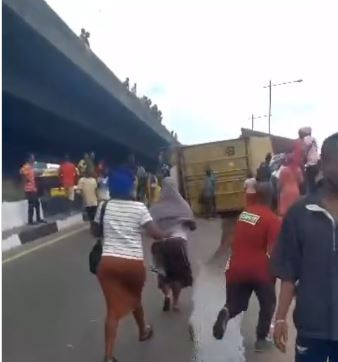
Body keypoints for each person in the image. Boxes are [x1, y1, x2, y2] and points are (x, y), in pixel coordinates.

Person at [272, 133, 338, 361]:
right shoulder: (300, 213)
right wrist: (280, 318)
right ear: (324, 163)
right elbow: (289, 272)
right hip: (311, 329)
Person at [93, 168, 168, 362]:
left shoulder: (103, 207)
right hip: (132, 264)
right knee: (134, 297)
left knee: (112, 310)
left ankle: (109, 356)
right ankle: (143, 331)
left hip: (108, 263)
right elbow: (156, 234)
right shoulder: (139, 208)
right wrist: (169, 233)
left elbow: (95, 232)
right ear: (129, 187)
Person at [213, 183, 281, 352]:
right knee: (268, 303)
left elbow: (233, 239)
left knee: (237, 303)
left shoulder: (245, 214)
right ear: (272, 197)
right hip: (259, 270)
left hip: (235, 266)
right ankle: (260, 339)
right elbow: (272, 252)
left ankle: (226, 312)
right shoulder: (272, 219)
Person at [150, 177, 196, 311]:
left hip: (160, 244)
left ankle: (167, 295)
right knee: (178, 276)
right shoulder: (183, 205)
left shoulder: (155, 207)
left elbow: (148, 227)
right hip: (178, 243)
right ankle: (175, 302)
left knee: (162, 273)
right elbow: (192, 225)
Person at [20, 154, 45, 225]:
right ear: (29, 159)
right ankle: (30, 221)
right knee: (31, 205)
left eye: (34, 158)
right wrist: (26, 180)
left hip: (33, 189)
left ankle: (38, 218)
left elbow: (33, 175)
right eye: (32, 158)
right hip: (29, 189)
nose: (34, 160)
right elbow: (22, 172)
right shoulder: (26, 166)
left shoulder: (31, 167)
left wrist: (39, 174)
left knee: (37, 204)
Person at [303, 128, 320, 193]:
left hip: (310, 164)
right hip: (316, 162)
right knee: (315, 181)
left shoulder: (306, 139)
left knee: (310, 183)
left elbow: (307, 147)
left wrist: (305, 154)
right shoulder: (314, 139)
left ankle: (312, 197)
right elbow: (315, 150)